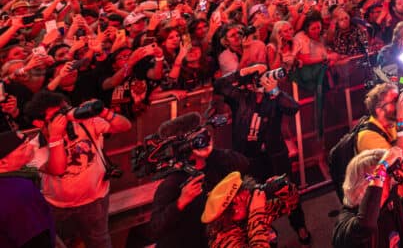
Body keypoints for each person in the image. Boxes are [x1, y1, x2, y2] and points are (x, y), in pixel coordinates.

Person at [214, 65, 311, 245]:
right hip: (248, 159)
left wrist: (274, 90)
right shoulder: (240, 98)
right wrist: (243, 71)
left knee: (288, 191)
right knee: (253, 199)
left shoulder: (274, 97)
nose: (261, 81)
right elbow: (219, 85)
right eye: (258, 78)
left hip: (275, 156)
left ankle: (299, 226)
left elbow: (293, 108)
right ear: (251, 83)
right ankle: (264, 233)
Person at [25, 91, 132, 248]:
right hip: (58, 205)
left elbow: (125, 126)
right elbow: (57, 169)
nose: (65, 117)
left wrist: (103, 112)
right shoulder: (33, 148)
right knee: (60, 243)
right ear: (38, 123)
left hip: (95, 199)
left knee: (99, 241)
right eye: (56, 115)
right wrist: (55, 138)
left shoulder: (86, 123)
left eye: (65, 110)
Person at [149, 112, 250, 248]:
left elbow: (243, 163)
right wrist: (180, 202)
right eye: (199, 140)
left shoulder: (218, 163)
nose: (205, 141)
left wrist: (211, 152)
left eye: (206, 136)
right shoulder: (173, 182)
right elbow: (156, 227)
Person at [332, 146, 403, 248]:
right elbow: (366, 225)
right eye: (384, 176)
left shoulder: (390, 205)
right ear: (364, 184)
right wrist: (382, 167)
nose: (390, 180)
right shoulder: (345, 225)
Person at [201, 171, 299, 248]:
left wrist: (285, 188)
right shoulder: (224, 240)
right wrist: (256, 214)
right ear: (233, 209)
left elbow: (291, 204)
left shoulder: (248, 212)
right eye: (235, 200)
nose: (246, 194)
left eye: (242, 189)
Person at [0, 129, 56, 248]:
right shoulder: (18, 193)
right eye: (23, 147)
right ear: (3, 163)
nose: (32, 146)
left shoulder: (14, 180)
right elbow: (35, 240)